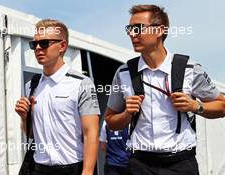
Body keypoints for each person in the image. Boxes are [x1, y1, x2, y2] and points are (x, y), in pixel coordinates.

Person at [105, 4, 225, 175]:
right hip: (140, 165)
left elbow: (222, 106)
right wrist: (126, 114)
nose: (132, 34)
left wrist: (195, 106)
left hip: (181, 165)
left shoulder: (189, 69)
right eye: (129, 29)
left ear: (159, 30)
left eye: (138, 28)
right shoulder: (123, 73)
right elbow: (110, 121)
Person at [15, 19, 100, 175]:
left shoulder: (82, 83)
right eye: (34, 44)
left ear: (62, 46)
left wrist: (87, 172)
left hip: (72, 168)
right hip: (38, 168)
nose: (38, 49)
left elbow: (91, 133)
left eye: (44, 43)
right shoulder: (31, 85)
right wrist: (24, 117)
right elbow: (33, 135)